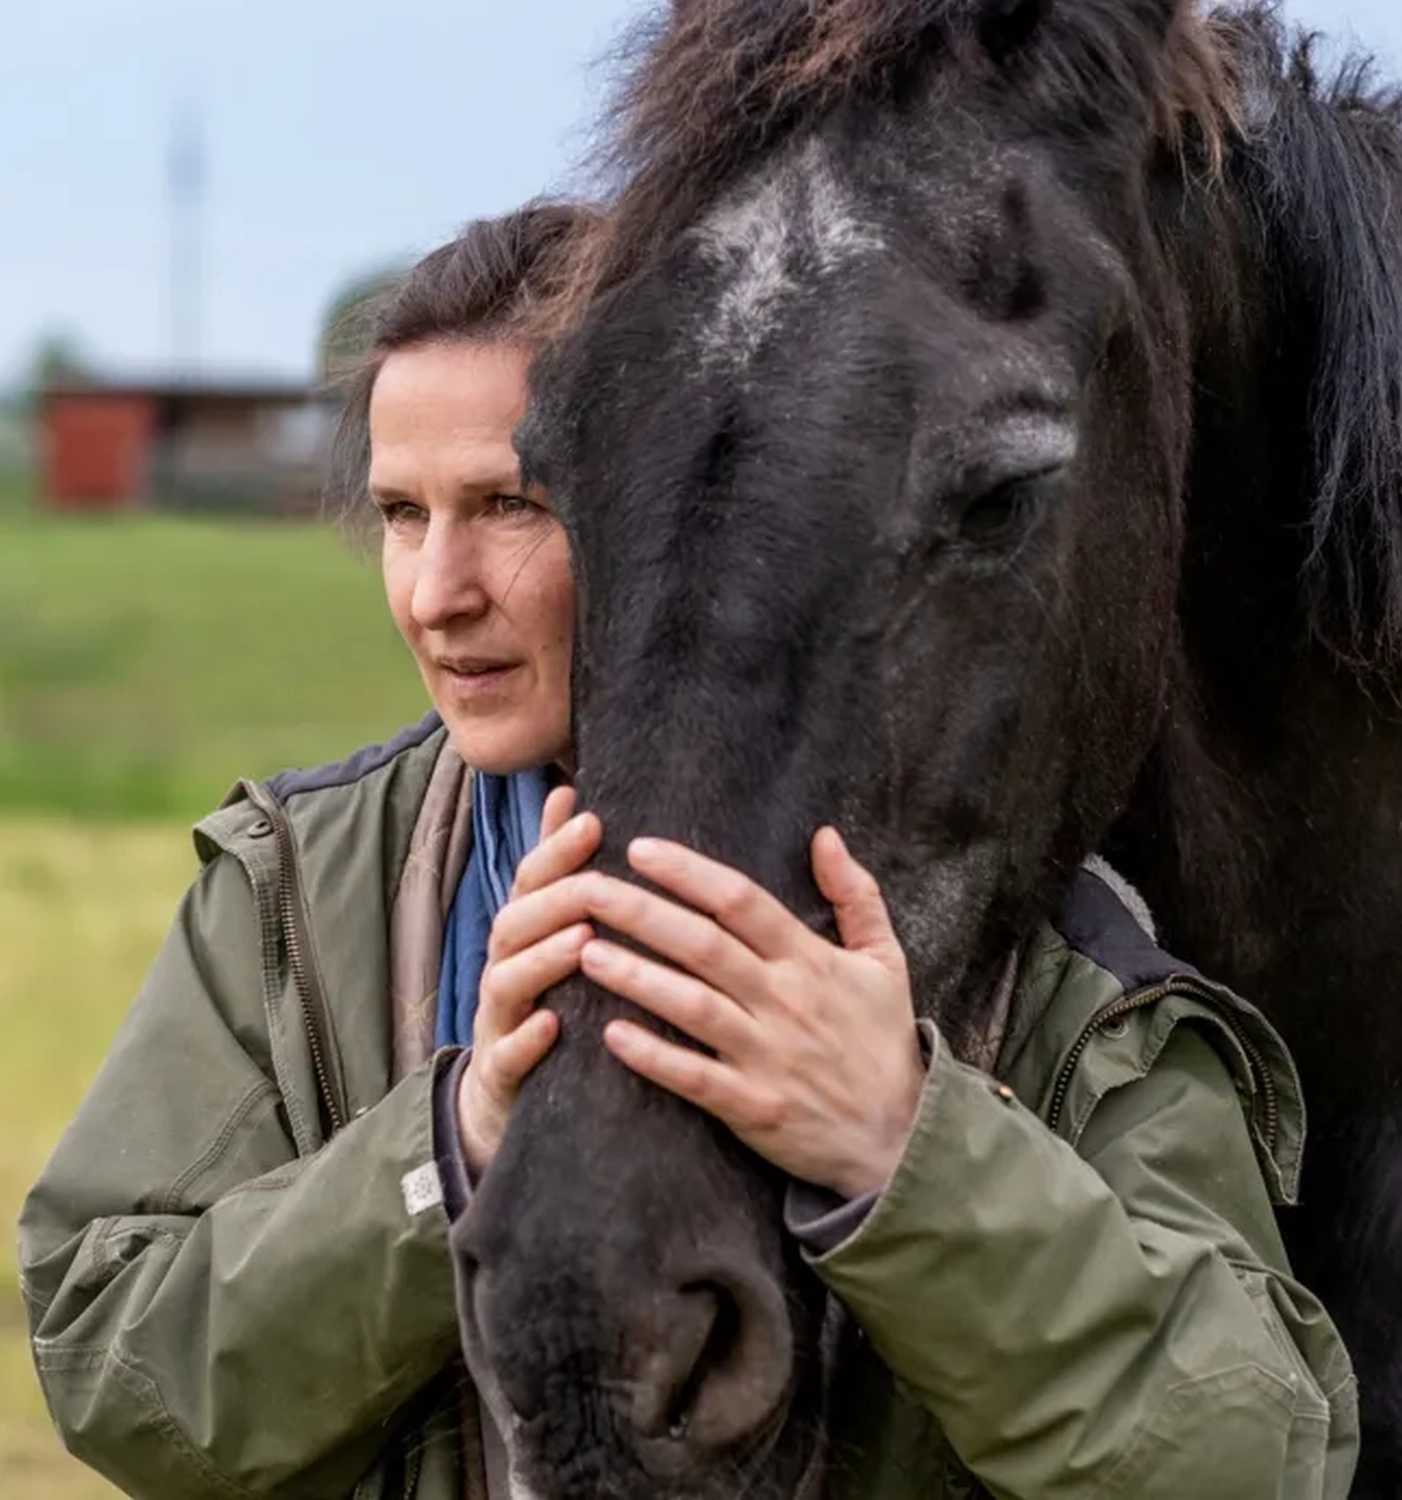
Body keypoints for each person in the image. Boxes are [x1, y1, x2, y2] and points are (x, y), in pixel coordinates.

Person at [19, 201, 1358, 1500]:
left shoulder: (1029, 924)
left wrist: (907, 1150)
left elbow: (1254, 1457)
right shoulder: (293, 894)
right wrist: (455, 1140)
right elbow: (115, 1371)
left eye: (508, 504)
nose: (437, 594)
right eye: (404, 515)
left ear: (679, 500)